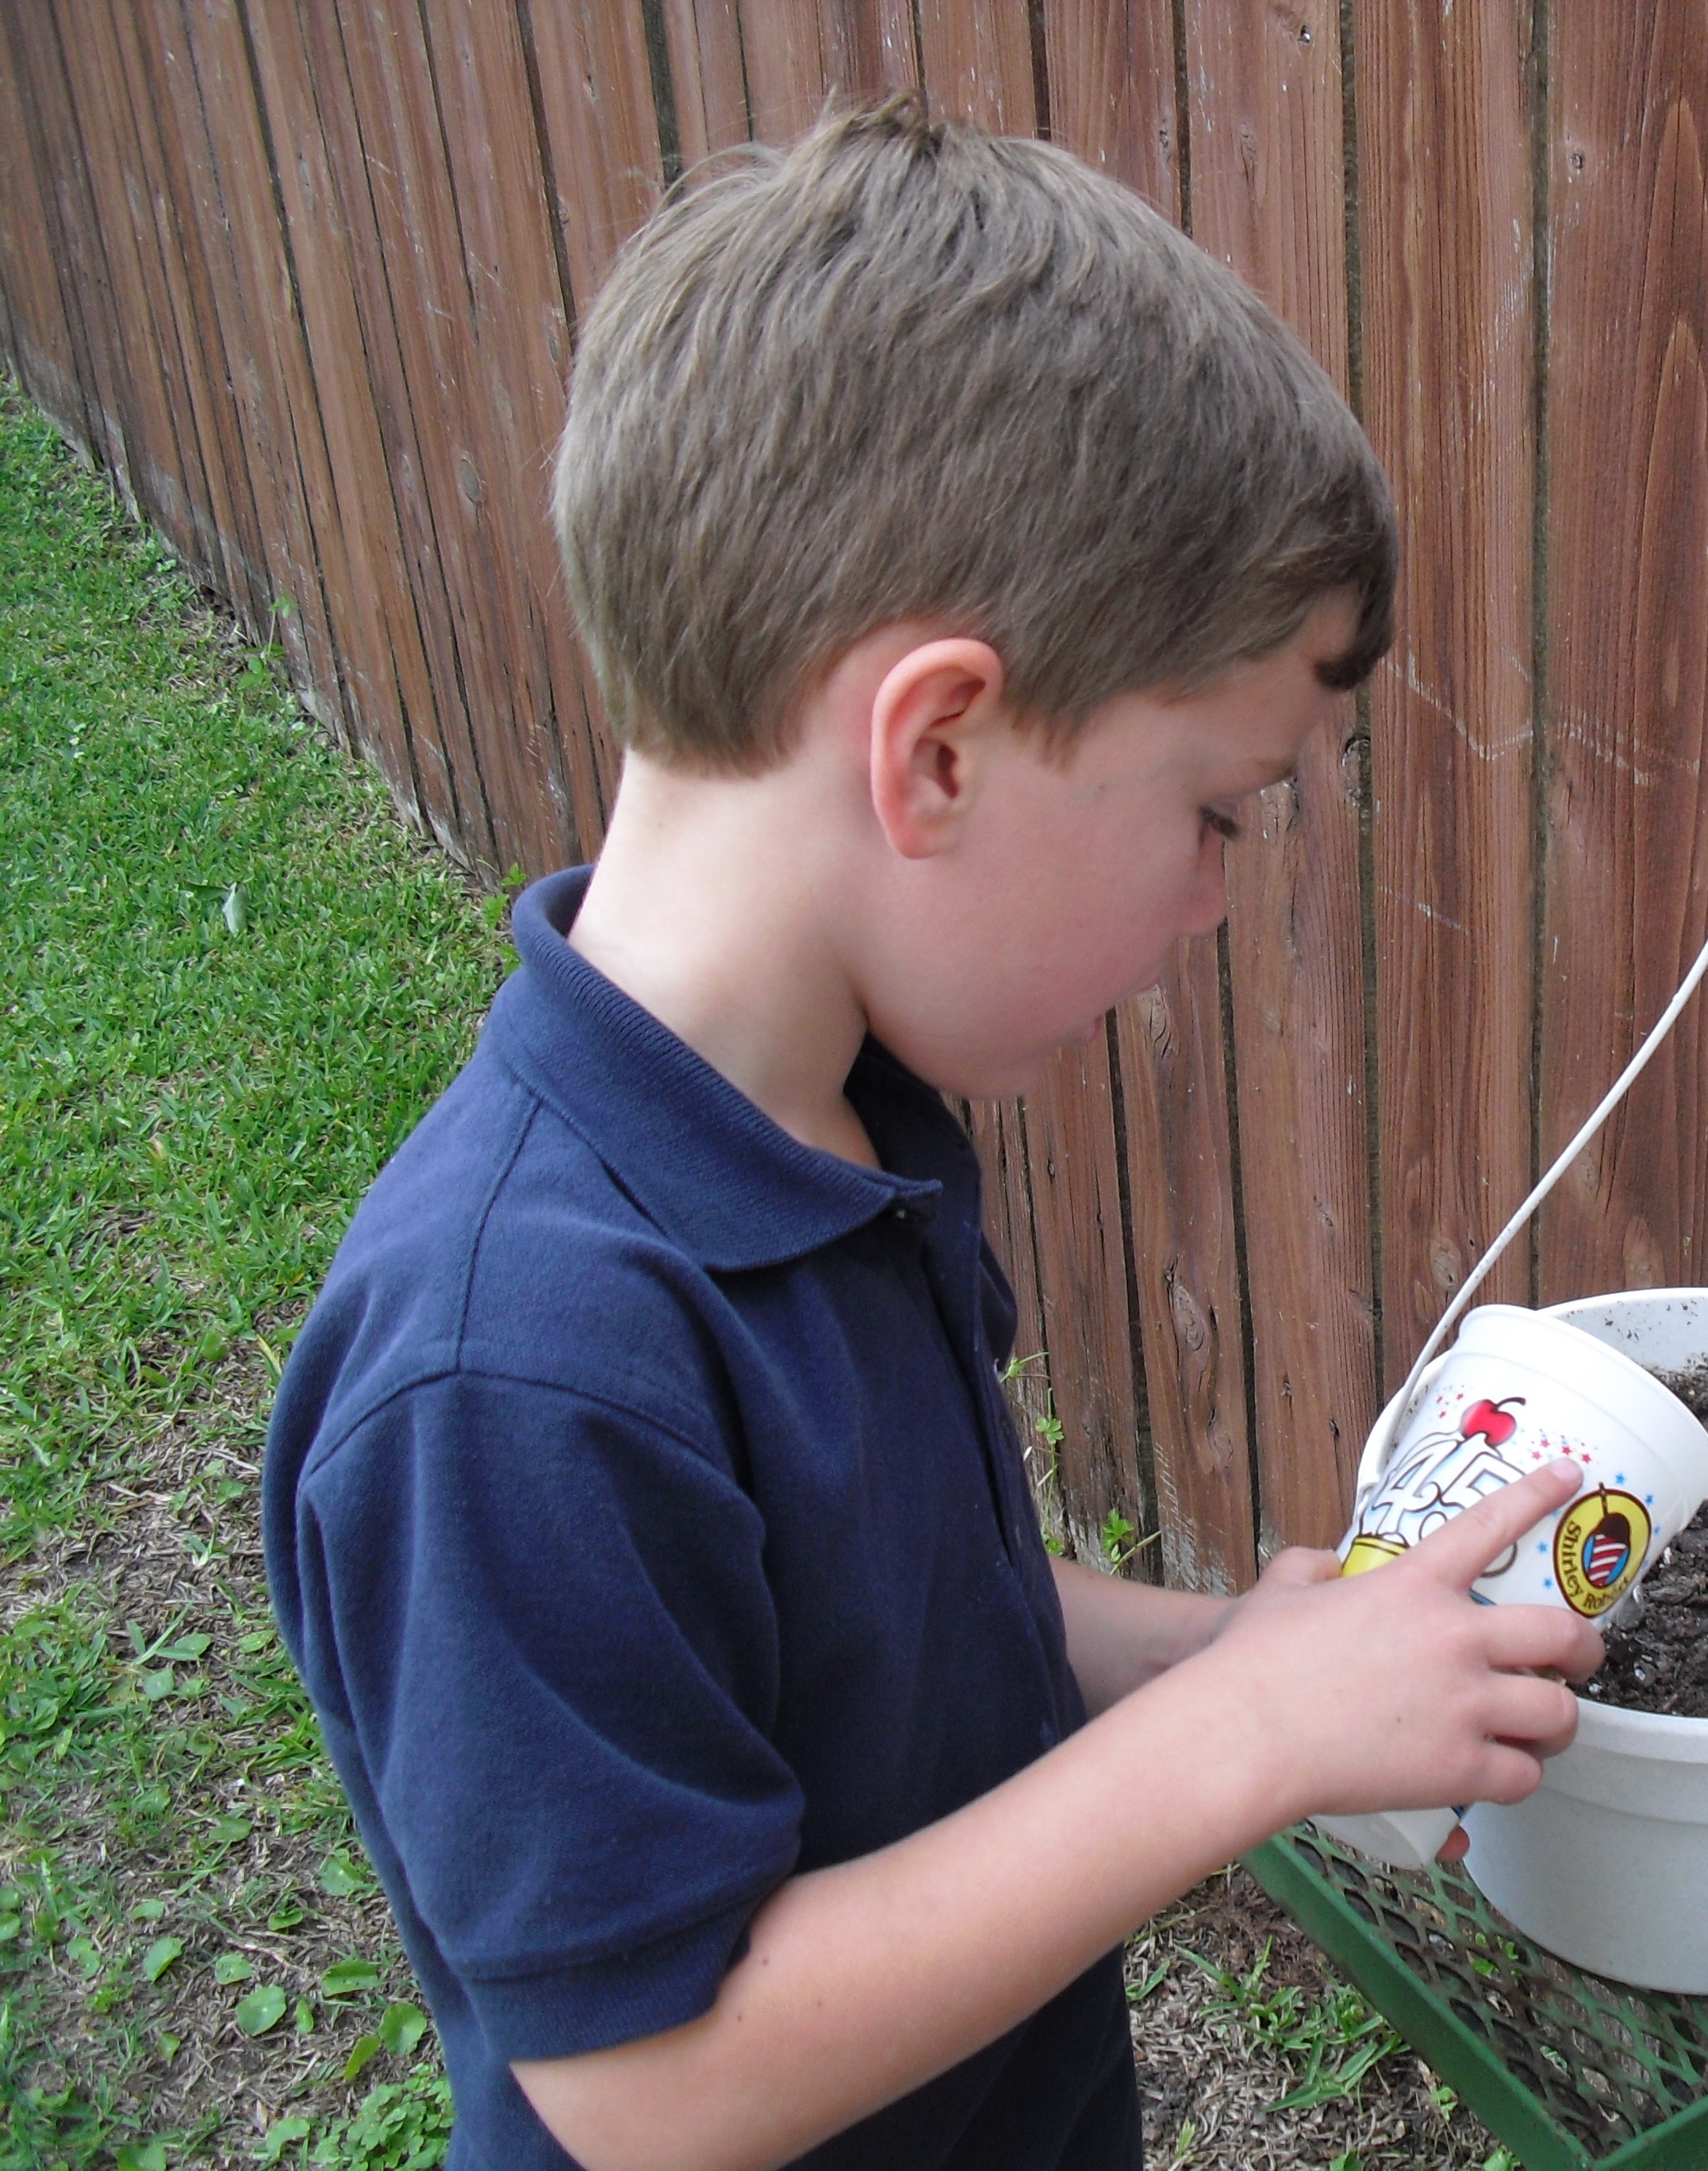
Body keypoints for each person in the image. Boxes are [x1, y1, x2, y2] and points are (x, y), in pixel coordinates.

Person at [263, 98, 1602, 2171]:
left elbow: (912, 1600)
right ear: (940, 747)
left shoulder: (827, 1129)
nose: (1213, 902)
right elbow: (656, 2081)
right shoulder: (509, 1369)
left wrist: (1219, 1649)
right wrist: (1236, 1746)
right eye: (1214, 811)